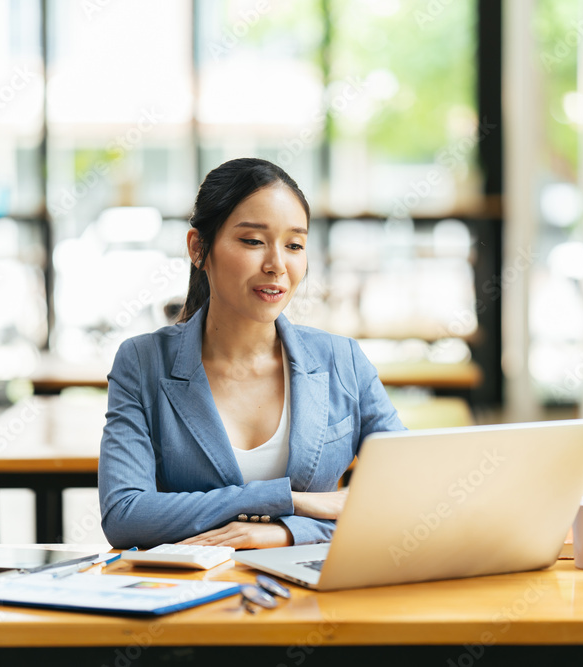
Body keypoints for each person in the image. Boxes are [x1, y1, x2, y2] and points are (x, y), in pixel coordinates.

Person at [98, 157, 405, 550]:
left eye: (294, 245)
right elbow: (126, 516)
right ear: (198, 248)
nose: (277, 265)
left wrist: (287, 531)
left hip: (311, 595)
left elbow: (405, 499)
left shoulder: (342, 360)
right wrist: (285, 500)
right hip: (190, 596)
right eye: (253, 241)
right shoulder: (142, 362)